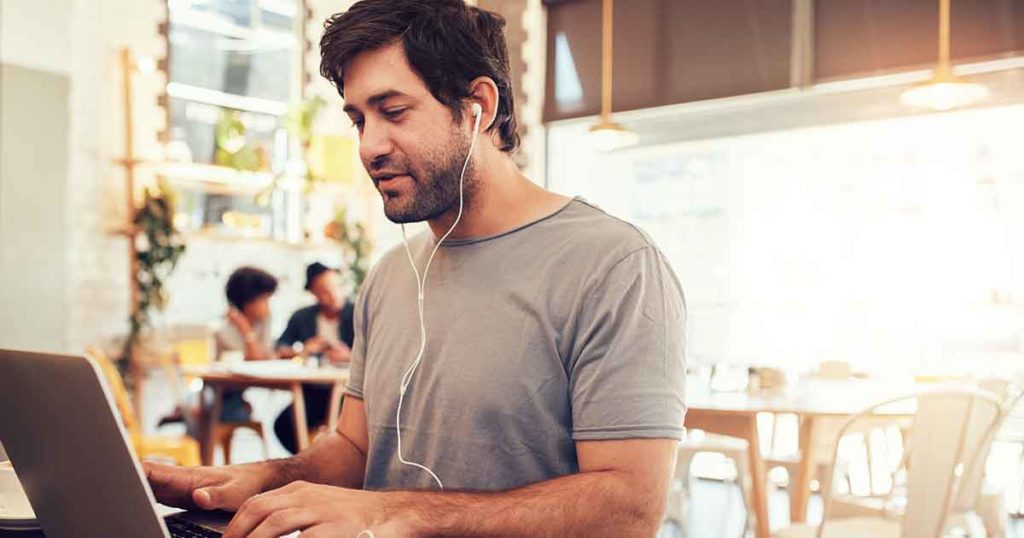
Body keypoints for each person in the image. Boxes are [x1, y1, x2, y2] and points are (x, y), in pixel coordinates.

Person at [144, 1, 686, 536]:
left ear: (478, 106)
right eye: (358, 119)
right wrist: (259, 478)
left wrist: (394, 513)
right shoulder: (389, 275)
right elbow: (356, 449)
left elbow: (630, 507)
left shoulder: (615, 267)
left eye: (393, 111)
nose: (369, 146)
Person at [273, 262, 356, 453]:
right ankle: (310, 466)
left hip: (350, 394)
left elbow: (379, 353)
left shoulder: (358, 312)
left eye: (337, 287)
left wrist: (350, 356)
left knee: (348, 430)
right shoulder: (302, 317)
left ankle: (331, 469)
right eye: (325, 291)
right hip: (313, 392)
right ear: (313, 293)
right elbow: (280, 348)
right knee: (284, 425)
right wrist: (304, 349)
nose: (334, 295)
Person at [212, 266, 278, 422]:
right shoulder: (224, 329)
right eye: (264, 299)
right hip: (219, 397)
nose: (268, 305)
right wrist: (245, 329)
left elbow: (267, 354)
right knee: (237, 413)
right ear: (248, 302)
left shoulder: (263, 320)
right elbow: (256, 358)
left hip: (238, 394)